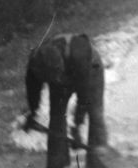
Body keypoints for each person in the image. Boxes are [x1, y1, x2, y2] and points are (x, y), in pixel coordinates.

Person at [23, 32, 108, 168]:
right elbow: (33, 92)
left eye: (57, 76)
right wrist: (33, 114)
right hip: (67, 72)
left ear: (61, 66)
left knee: (95, 112)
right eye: (51, 79)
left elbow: (84, 97)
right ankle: (57, 164)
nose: (56, 80)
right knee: (56, 116)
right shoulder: (35, 65)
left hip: (90, 69)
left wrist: (77, 127)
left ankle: (96, 161)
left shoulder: (78, 55)